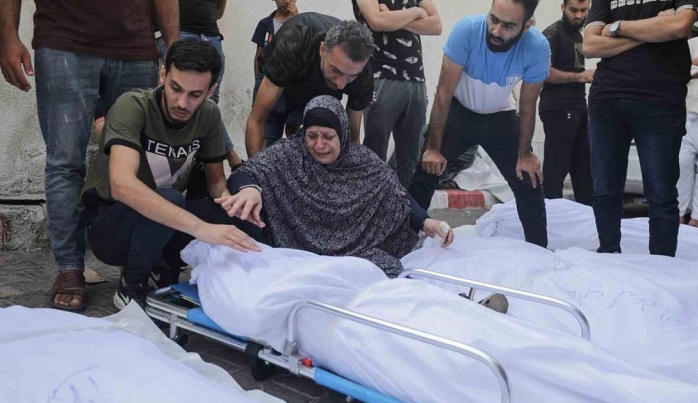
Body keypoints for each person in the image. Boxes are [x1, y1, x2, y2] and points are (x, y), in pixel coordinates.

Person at [0, 0, 178, 311]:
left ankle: (136, 267)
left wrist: (174, 44)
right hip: (63, 40)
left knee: (141, 161)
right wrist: (8, 37)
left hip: (135, 44)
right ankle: (69, 268)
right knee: (65, 162)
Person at [78, 39, 262, 309]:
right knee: (172, 199)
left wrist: (232, 205)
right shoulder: (133, 106)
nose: (182, 102)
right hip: (109, 223)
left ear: (211, 90)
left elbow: (216, 181)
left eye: (195, 94)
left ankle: (241, 283)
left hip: (165, 217)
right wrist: (202, 228)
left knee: (240, 214)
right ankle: (131, 283)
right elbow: (122, 185)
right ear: (163, 74)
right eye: (175, 88)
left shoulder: (209, 115)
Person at [222, 95, 454, 278]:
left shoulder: (363, 162)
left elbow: (395, 193)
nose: (319, 144)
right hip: (296, 254)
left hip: (356, 253)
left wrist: (425, 222)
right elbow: (246, 172)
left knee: (387, 275)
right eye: (312, 136)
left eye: (328, 136)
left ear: (342, 133)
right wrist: (249, 189)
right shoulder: (289, 154)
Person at [408, 0, 550, 248]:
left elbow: (528, 104)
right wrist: (433, 148)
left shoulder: (538, 47)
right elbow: (443, 94)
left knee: (529, 178)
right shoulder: (467, 31)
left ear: (527, 26)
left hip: (501, 115)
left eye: (508, 26)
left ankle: (540, 251)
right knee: (426, 171)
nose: (496, 31)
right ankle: (404, 243)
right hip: (459, 112)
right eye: (493, 19)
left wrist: (525, 154)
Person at [583, 0, 698, 256]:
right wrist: (654, 29)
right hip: (607, 98)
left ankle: (661, 267)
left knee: (661, 193)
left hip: (660, 100)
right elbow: (590, 46)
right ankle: (608, 256)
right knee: (605, 190)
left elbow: (679, 26)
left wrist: (616, 28)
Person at [245, 13, 374, 158]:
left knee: (319, 145)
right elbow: (257, 120)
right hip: (282, 73)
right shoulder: (295, 40)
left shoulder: (363, 73)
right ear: (322, 49)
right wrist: (257, 169)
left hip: (319, 83)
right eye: (336, 70)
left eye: (351, 76)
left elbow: (353, 138)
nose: (341, 84)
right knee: (268, 144)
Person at [352, 0, 442, 187]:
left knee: (411, 158)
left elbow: (436, 25)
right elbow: (377, 21)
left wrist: (392, 19)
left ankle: (402, 203)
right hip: (381, 75)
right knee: (375, 152)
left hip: (416, 79)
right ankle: (373, 202)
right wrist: (416, 12)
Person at [156, 0, 243, 171]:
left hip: (211, 35)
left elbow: (219, 12)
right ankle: (231, 155)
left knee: (209, 101)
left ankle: (204, 162)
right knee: (189, 100)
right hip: (180, 33)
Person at [539, 0, 594, 206]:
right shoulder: (552, 34)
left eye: (583, 10)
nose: (578, 15)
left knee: (583, 168)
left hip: (579, 105)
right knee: (557, 167)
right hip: (558, 107)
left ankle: (587, 217)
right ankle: (550, 215)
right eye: (573, 10)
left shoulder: (578, 35)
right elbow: (543, 72)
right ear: (562, 8)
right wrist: (580, 77)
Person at [251, 0, 302, 145]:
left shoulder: (302, 23)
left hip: (292, 85)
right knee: (268, 129)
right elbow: (259, 56)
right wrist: (258, 83)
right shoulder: (265, 24)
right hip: (268, 81)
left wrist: (296, 19)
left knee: (293, 129)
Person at [678, 37, 698, 228]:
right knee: (681, 166)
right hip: (688, 113)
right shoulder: (690, 44)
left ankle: (695, 219)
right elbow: (677, 73)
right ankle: (679, 213)